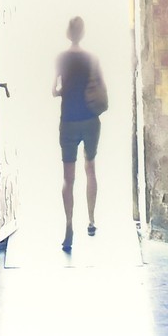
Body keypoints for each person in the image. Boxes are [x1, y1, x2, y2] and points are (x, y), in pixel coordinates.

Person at [54, 14, 104, 254]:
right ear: (82, 33)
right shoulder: (92, 58)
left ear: (68, 33)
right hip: (90, 120)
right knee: (90, 168)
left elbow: (54, 90)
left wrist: (65, 91)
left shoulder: (61, 59)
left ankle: (69, 226)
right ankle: (92, 221)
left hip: (69, 121)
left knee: (68, 178)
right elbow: (100, 87)